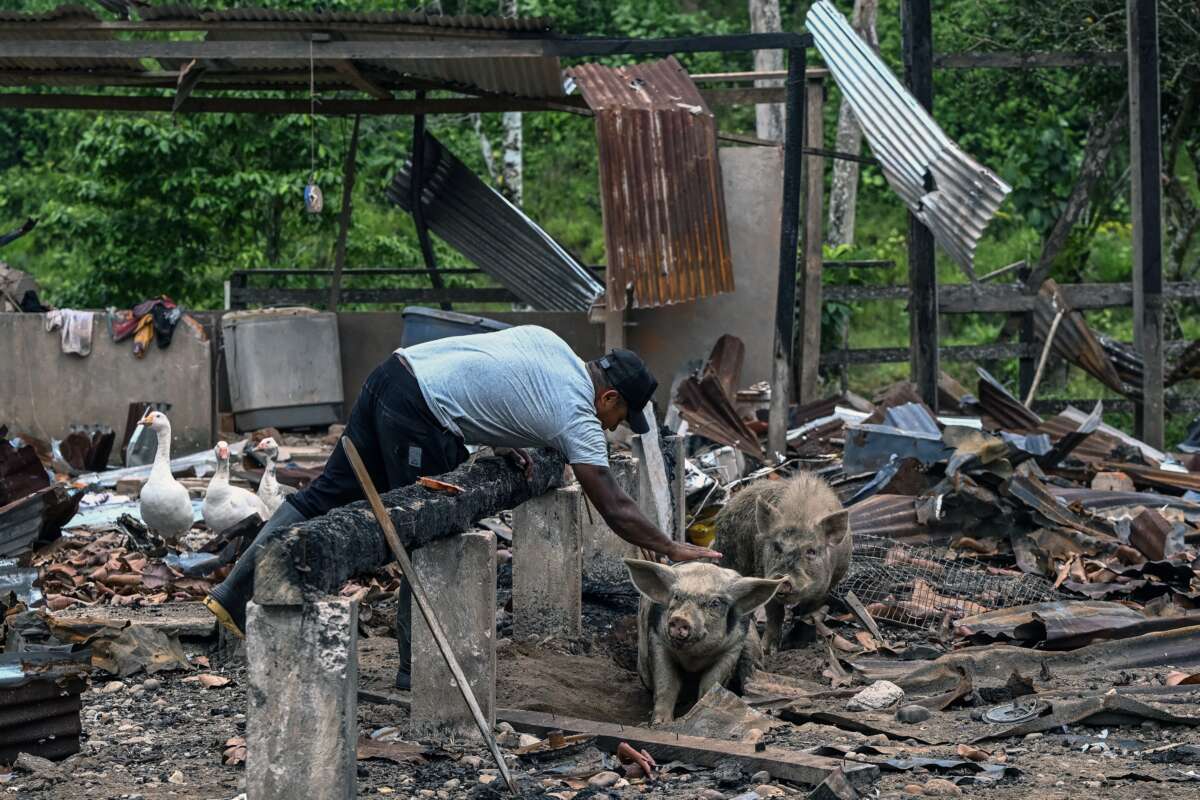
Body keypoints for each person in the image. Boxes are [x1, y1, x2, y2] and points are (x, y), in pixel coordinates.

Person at [204, 325, 720, 685]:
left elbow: (492, 378)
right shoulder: (578, 414)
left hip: (392, 376)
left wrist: (500, 439)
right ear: (608, 399)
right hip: (419, 413)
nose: (613, 429)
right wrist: (673, 548)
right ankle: (416, 671)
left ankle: (231, 596)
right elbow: (612, 504)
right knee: (423, 526)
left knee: (324, 494)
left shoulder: (553, 345)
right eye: (620, 418)